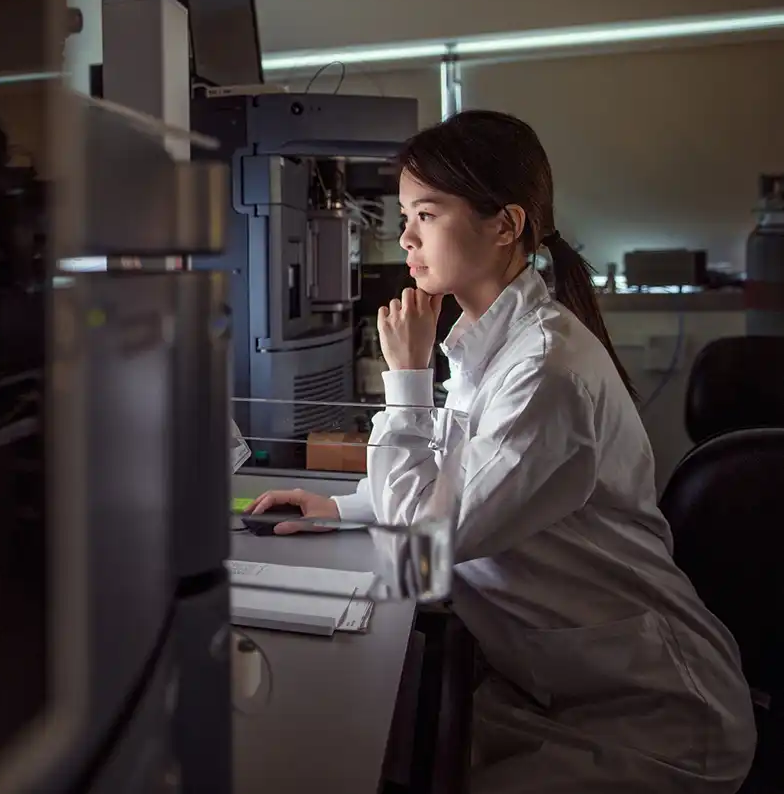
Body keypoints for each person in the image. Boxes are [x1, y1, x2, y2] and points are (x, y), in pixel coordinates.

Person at [247, 111, 756, 792]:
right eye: (404, 216)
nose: (404, 238)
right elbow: (457, 478)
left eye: (425, 215)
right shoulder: (492, 342)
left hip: (649, 720)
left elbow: (420, 550)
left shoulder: (547, 372)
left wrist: (406, 380)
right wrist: (344, 506)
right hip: (555, 688)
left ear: (505, 224)